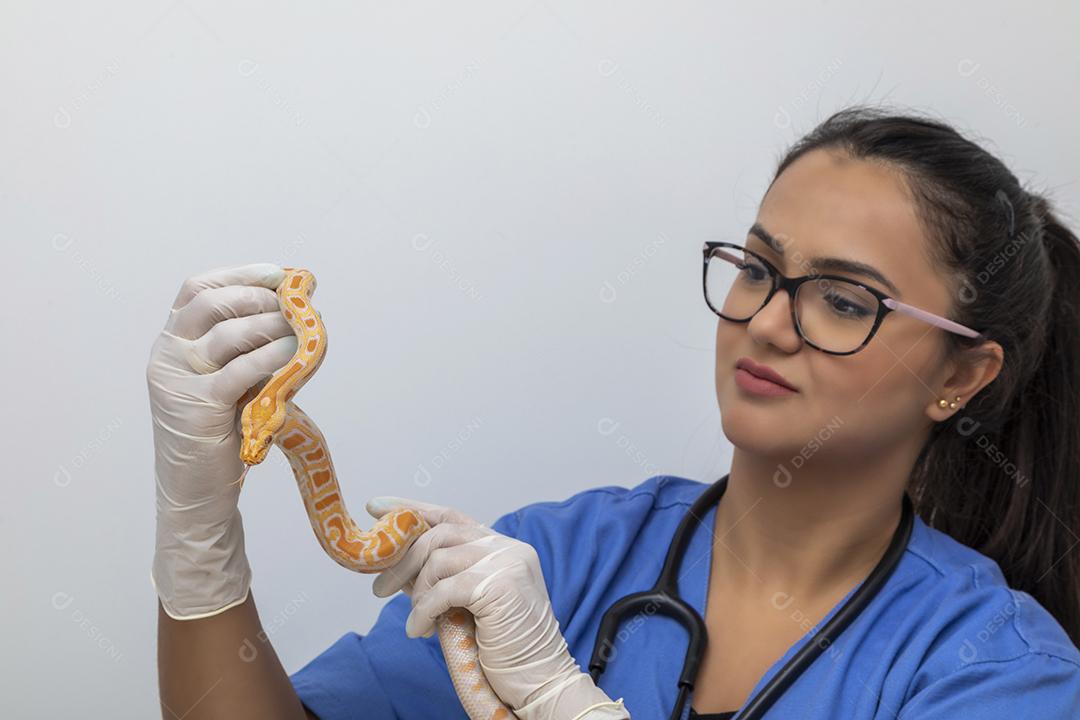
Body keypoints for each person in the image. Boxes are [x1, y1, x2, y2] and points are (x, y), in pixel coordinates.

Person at [149, 105, 1080, 719]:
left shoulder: (1001, 670)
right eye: (757, 269)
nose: (763, 322)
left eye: (842, 300)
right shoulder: (562, 558)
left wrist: (563, 697)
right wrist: (199, 539)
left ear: (963, 371)